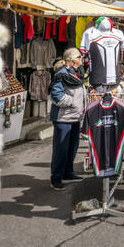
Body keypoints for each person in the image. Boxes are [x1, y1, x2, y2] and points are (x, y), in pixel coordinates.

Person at [49, 48, 87, 190]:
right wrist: (71, 103)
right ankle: (56, 178)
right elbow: (56, 95)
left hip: (74, 117)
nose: (81, 58)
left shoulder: (75, 74)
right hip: (63, 117)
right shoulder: (62, 74)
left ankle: (68, 173)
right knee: (61, 149)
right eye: (79, 56)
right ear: (72, 61)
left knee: (72, 147)